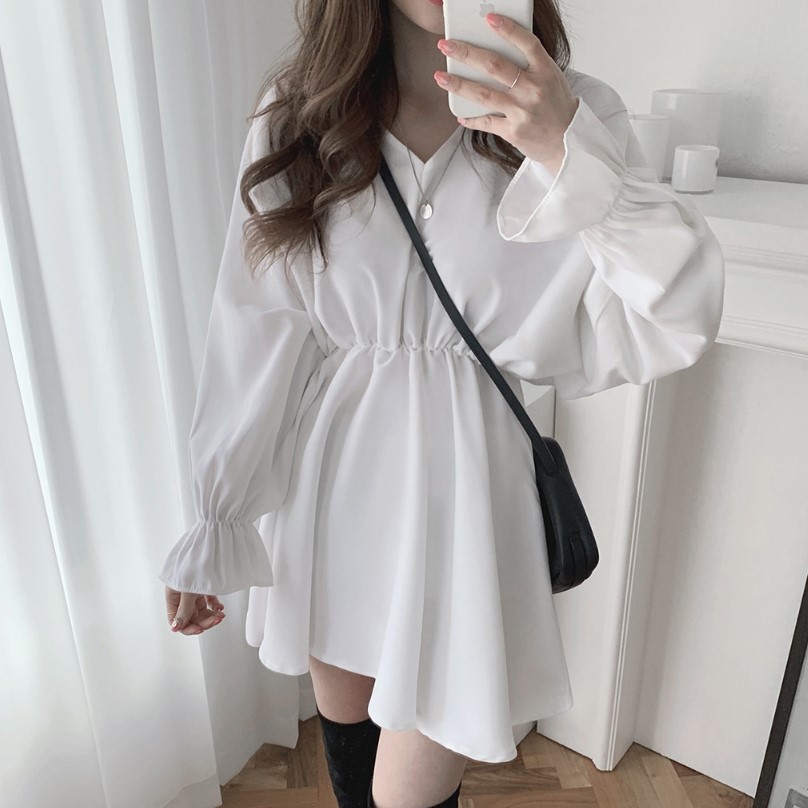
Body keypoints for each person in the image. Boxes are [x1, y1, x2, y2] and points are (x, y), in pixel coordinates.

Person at [158, 1, 726, 807]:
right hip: (336, 488)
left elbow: (677, 314)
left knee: (411, 793)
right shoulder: (302, 111)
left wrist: (565, 148)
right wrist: (217, 517)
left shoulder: (580, 113)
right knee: (350, 756)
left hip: (468, 501)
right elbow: (255, 327)